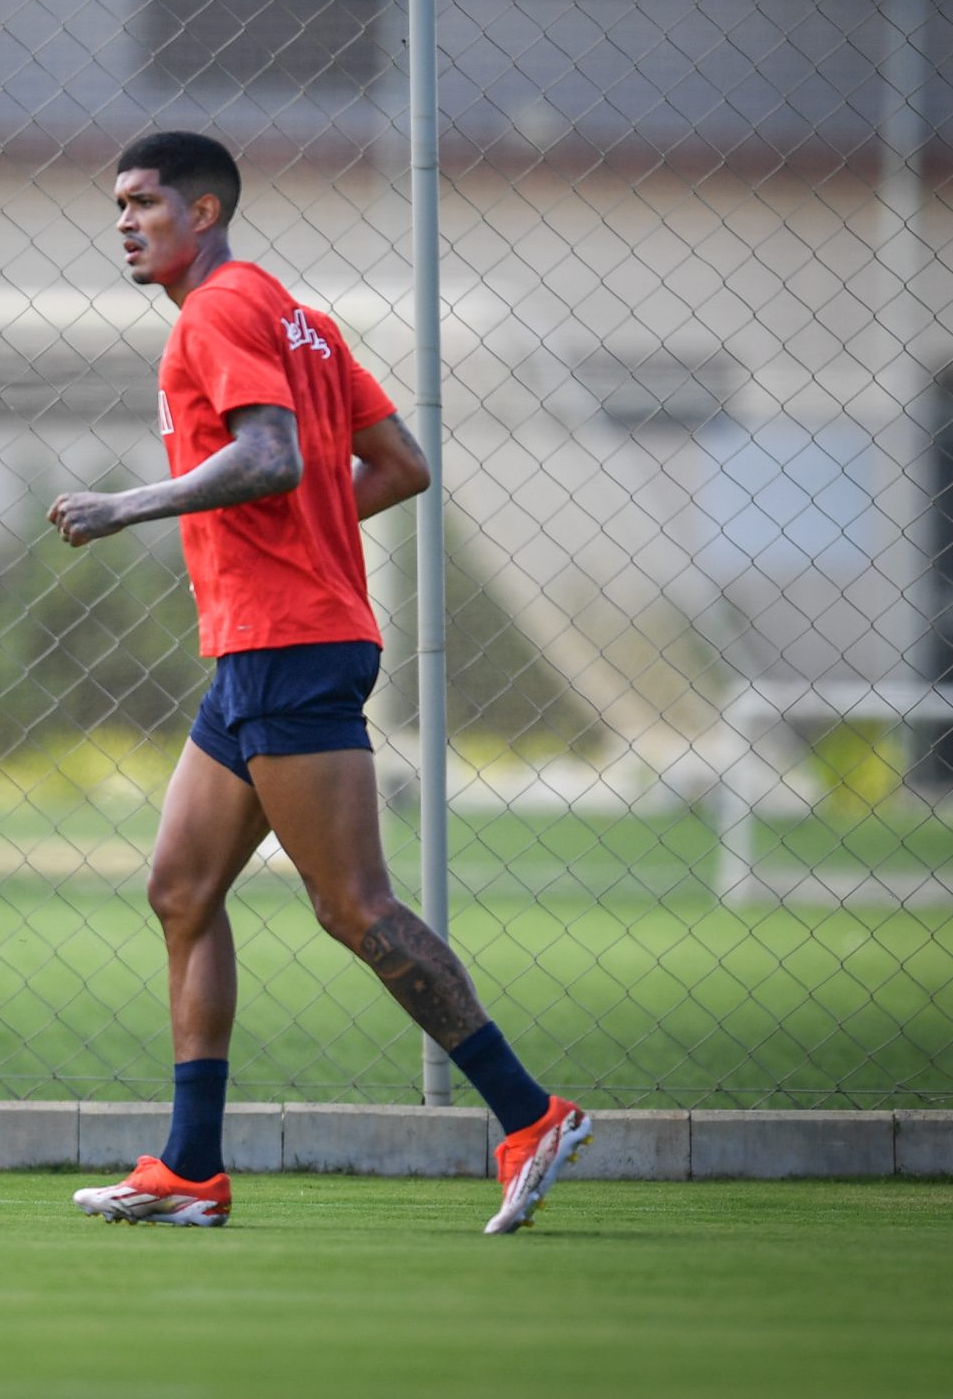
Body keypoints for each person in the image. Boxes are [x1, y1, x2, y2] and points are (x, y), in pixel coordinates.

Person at [48, 130, 588, 1236]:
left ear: (203, 212)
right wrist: (307, 534)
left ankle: (530, 1115)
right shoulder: (300, 316)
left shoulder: (218, 313)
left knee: (353, 906)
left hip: (290, 646)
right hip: (254, 649)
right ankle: (190, 1168)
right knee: (180, 890)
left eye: (143, 201)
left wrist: (124, 505)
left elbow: (273, 456)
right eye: (117, 204)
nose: (124, 221)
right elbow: (398, 467)